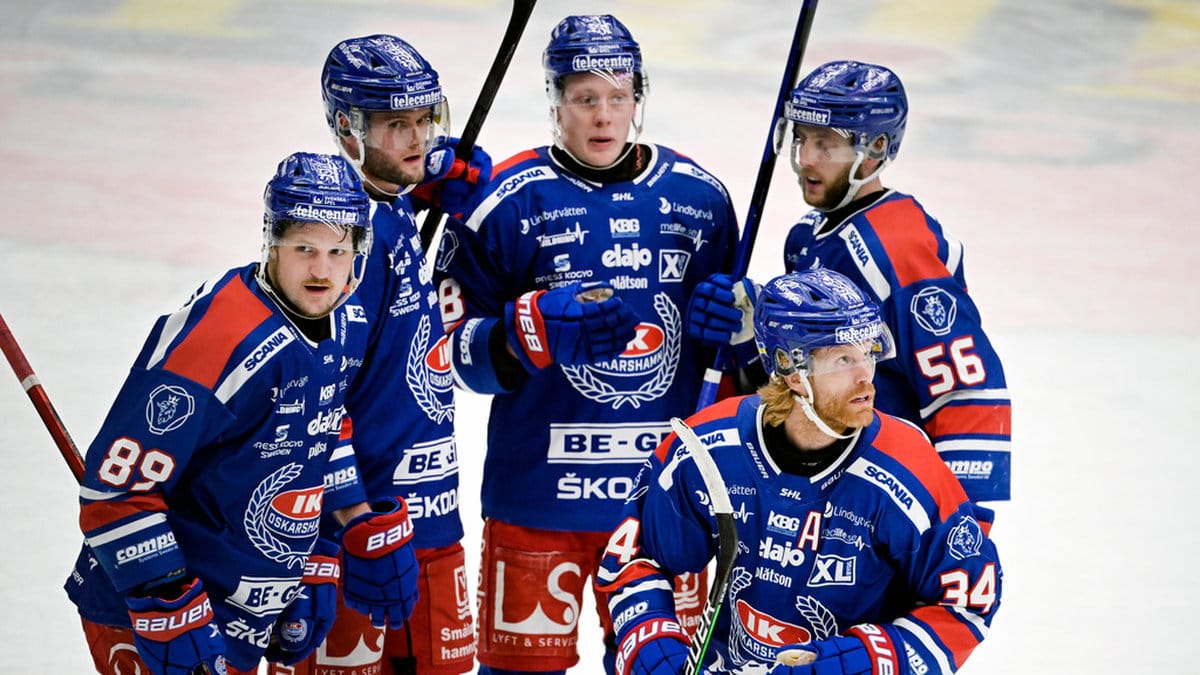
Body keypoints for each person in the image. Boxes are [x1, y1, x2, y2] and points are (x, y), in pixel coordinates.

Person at [433, 14, 741, 675]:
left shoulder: (702, 200)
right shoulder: (499, 203)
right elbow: (446, 355)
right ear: (554, 101)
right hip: (537, 499)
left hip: (662, 505)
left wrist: (745, 326)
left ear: (638, 97)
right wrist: (524, 334)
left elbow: (735, 368)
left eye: (618, 96)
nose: (603, 115)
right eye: (584, 98)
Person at [63, 152, 420, 674]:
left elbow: (321, 428)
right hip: (152, 615)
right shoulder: (219, 337)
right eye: (304, 249)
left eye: (337, 251)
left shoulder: (348, 320)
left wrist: (339, 532)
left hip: (236, 612)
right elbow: (115, 490)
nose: (322, 271)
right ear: (272, 243)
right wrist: (164, 597)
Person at [596, 268, 1004, 675]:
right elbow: (634, 553)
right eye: (844, 359)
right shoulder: (709, 447)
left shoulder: (909, 469)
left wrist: (852, 662)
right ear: (789, 368)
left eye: (869, 353)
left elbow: (968, 602)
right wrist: (650, 642)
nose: (866, 377)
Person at [267, 35, 491, 675]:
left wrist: (425, 183)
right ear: (347, 128)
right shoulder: (341, 243)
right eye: (397, 125)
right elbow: (311, 396)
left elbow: (414, 167)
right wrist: (343, 526)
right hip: (360, 534)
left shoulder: (385, 210)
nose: (419, 138)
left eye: (425, 120)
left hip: (427, 518)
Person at [777, 60, 1011, 503]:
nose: (806, 158)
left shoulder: (897, 247)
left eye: (826, 144)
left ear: (876, 147)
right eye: (802, 138)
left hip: (886, 492)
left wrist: (964, 521)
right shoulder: (807, 237)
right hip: (831, 480)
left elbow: (964, 389)